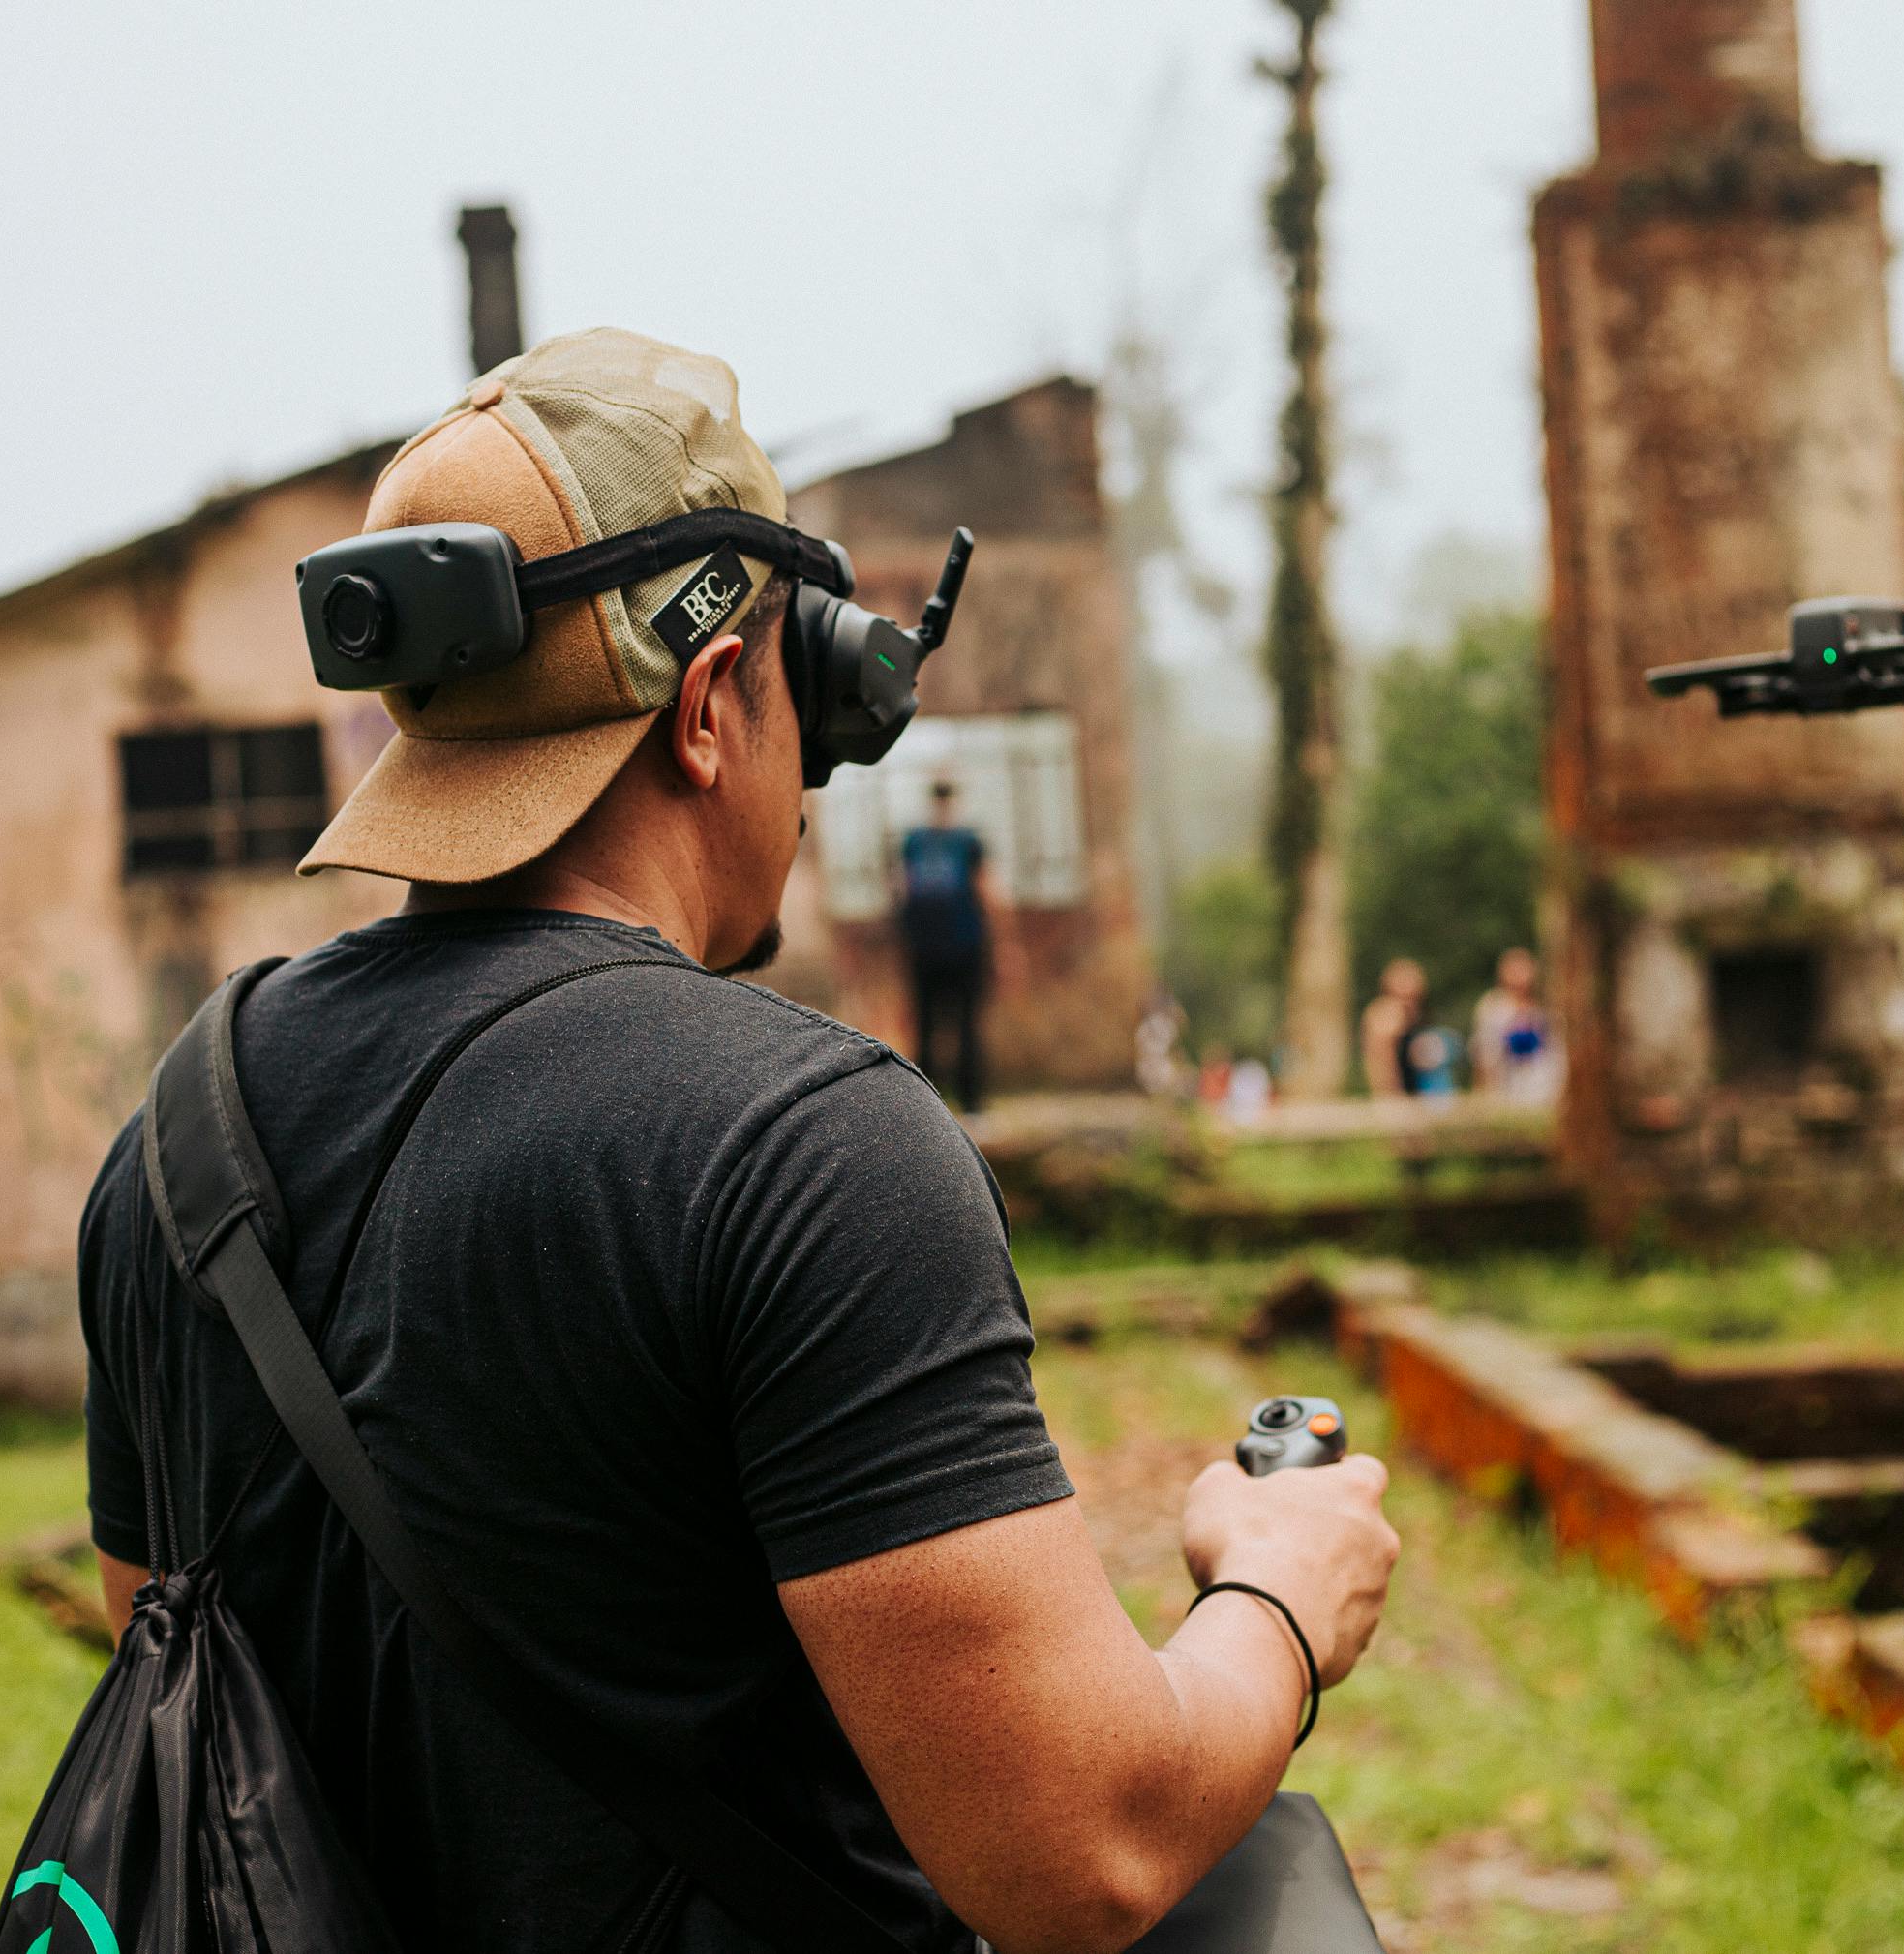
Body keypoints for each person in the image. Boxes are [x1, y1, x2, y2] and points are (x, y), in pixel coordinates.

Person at [75, 331, 1398, 1954]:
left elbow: (181, 1684)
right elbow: (1085, 1849)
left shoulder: (167, 1155)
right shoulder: (797, 1143)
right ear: (711, 705)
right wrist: (1279, 1588)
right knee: (1266, 1896)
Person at [897, 779, 994, 1111]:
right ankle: (957, 1104)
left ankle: (944, 1103)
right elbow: (983, 890)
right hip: (947, 945)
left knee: (945, 1026)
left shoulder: (926, 842)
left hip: (941, 945)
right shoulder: (957, 841)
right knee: (949, 1026)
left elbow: (904, 888)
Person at [1474, 946, 1562, 1109]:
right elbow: (1484, 1053)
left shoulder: (1545, 1008)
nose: (1520, 976)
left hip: (1542, 1086)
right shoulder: (1493, 1007)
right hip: (1506, 1085)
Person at [1356, 958, 1430, 1099]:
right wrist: (1391, 1096)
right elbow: (1381, 1061)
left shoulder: (1416, 1014)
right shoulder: (1385, 1013)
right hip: (1398, 1096)